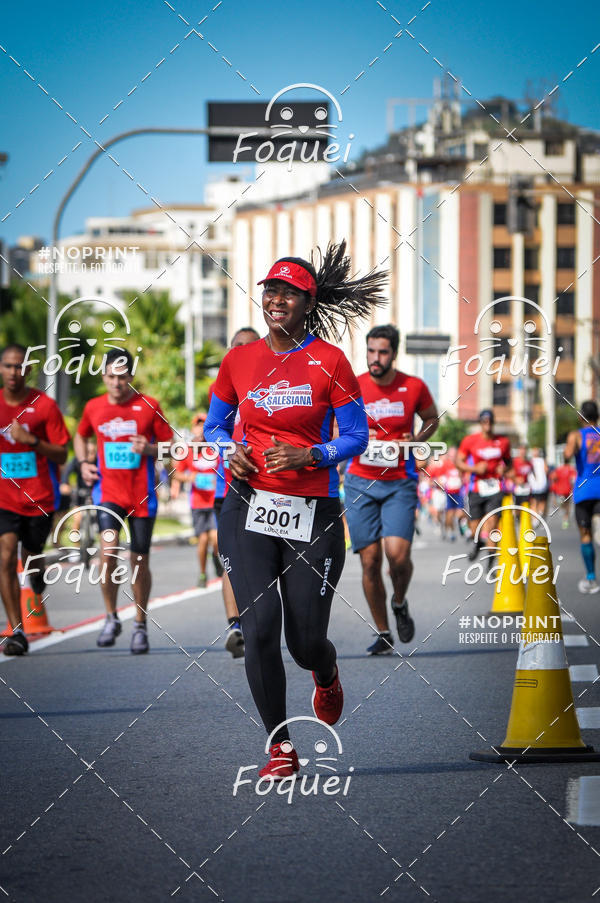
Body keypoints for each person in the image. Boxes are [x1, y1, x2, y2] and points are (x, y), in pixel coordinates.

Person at [205, 241, 384, 778]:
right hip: (247, 503)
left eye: (289, 292)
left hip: (313, 508)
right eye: (270, 291)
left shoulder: (331, 361)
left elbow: (356, 436)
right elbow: (214, 426)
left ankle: (325, 673)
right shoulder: (239, 360)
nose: (276, 299)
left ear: (309, 303)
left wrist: (312, 454)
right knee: (260, 627)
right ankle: (280, 746)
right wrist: (228, 449)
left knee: (304, 642)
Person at [343, 325, 438, 655]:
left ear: (394, 354)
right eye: (371, 351)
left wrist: (416, 440)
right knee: (370, 561)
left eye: (382, 352)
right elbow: (335, 425)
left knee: (398, 557)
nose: (376, 358)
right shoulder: (354, 385)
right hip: (360, 481)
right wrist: (352, 437)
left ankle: (399, 602)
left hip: (399, 481)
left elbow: (431, 418)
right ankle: (383, 632)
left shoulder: (413, 386)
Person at [74, 348, 173, 653]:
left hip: (142, 497)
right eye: (111, 376)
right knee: (108, 553)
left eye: (122, 376)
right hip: (108, 494)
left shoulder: (148, 406)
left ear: (131, 376)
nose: (116, 383)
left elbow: (172, 447)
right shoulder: (94, 407)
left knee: (139, 561)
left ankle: (140, 624)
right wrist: (84, 463)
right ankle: (111, 616)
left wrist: (151, 450)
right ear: (104, 376)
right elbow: (81, 435)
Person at [0, 344, 70, 655]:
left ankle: (37, 572)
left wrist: (31, 441)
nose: (13, 372)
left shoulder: (44, 406)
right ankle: (17, 632)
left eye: (19, 366)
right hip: (4, 498)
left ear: (28, 370)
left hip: (37, 497)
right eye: (8, 366)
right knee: (5, 557)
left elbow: (62, 454)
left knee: (31, 556)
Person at [210, 326, 260, 659]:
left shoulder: (274, 385)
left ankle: (260, 620)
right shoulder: (221, 386)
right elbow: (213, 428)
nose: (241, 351)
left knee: (261, 561)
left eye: (249, 346)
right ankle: (235, 626)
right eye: (236, 346)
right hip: (227, 486)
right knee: (231, 557)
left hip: (266, 486)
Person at [456, 409, 512, 562]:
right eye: (484, 421)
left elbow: (509, 462)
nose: (487, 424)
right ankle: (478, 543)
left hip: (495, 487)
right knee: (475, 527)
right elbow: (459, 462)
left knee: (492, 523)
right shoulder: (470, 441)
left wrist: (504, 469)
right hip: (476, 487)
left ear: (493, 422)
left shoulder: (503, 442)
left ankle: (491, 562)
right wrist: (474, 469)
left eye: (490, 421)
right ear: (480, 423)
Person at [173, 413, 219, 588]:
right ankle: (202, 573)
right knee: (203, 540)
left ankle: (215, 556)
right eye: (197, 425)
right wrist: (189, 478)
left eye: (203, 425)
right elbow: (176, 474)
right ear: (193, 429)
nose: (200, 429)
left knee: (216, 538)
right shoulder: (187, 451)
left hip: (215, 500)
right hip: (197, 502)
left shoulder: (216, 448)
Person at [564, 401, 600, 593]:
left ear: (580, 417)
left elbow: (567, 455)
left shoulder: (576, 435)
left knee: (585, 535)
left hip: (584, 490)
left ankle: (591, 578)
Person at [549, 460, 575, 528]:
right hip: (562, 491)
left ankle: (565, 519)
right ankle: (565, 517)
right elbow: (553, 478)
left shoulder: (567, 469)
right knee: (565, 505)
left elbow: (573, 479)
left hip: (564, 490)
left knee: (566, 505)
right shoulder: (561, 469)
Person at [528, 447, 549, 517]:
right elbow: (546, 471)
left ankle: (536, 518)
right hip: (540, 485)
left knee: (534, 502)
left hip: (535, 485)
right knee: (540, 502)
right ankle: (539, 515)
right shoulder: (542, 460)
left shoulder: (531, 461)